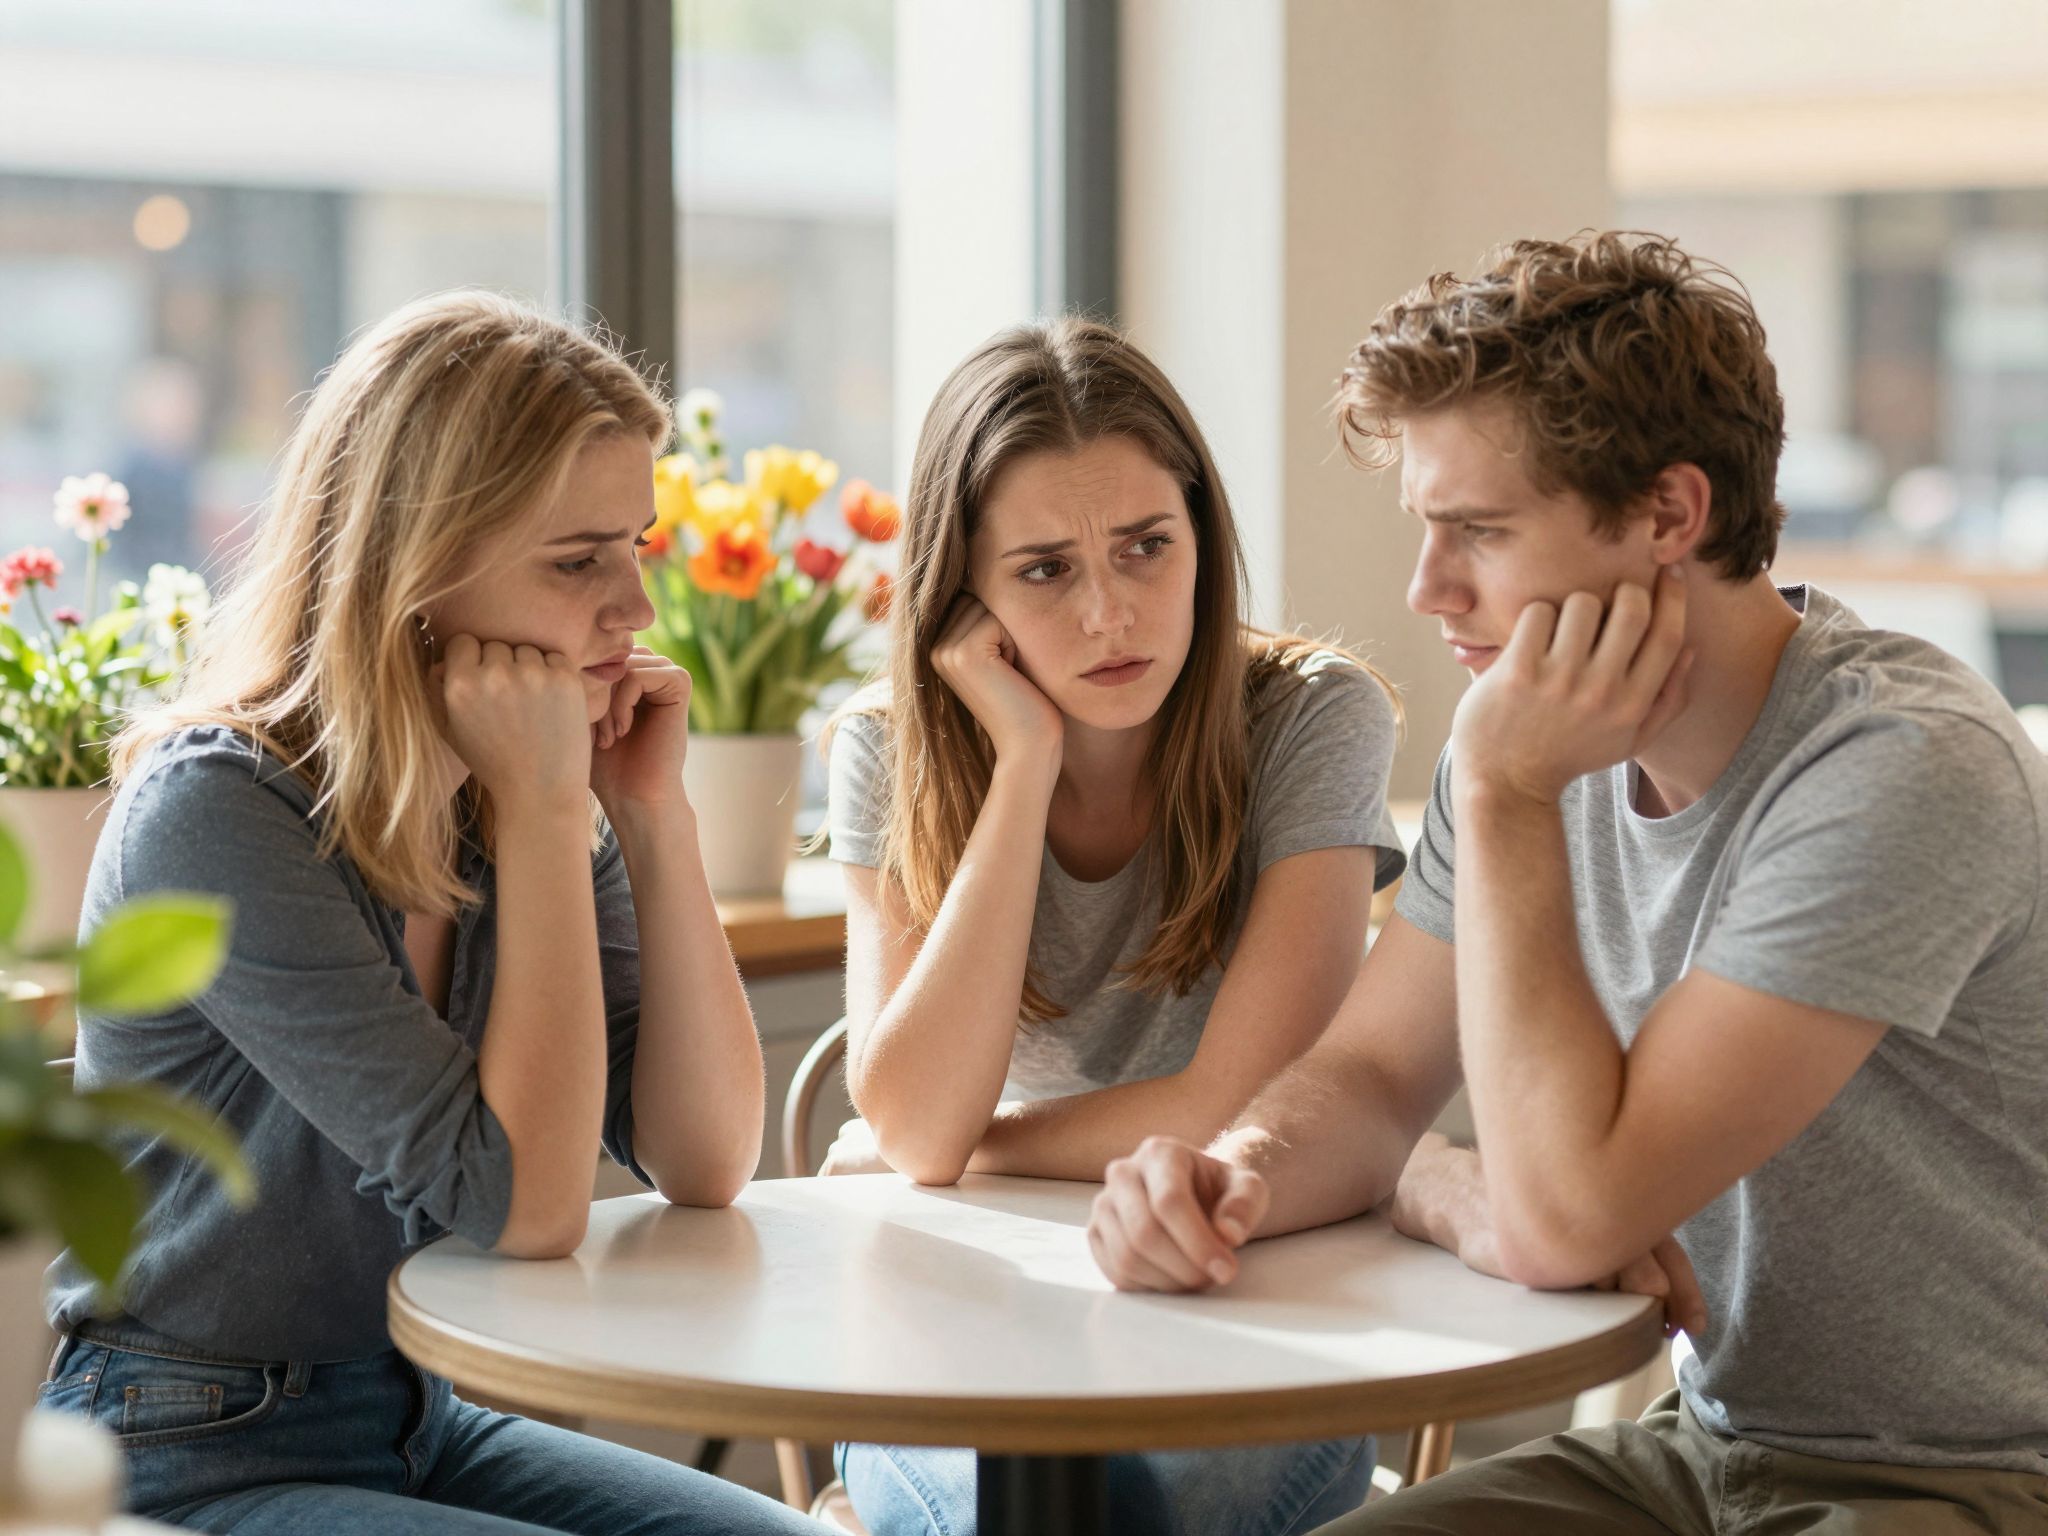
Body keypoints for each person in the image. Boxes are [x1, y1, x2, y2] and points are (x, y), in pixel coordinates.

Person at [1087, 232, 2048, 1535]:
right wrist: (1228, 1177)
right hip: (1704, 1456)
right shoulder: (1543, 738)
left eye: (1476, 532)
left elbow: (1560, 1220)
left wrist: (1500, 796)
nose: (1427, 591)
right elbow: (1369, 1080)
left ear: (1670, 514)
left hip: (1972, 1478)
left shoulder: (1898, 767)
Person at [38, 291, 824, 1536]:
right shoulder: (221, 812)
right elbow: (528, 1208)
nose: (634, 609)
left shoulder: (520, 794)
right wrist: (544, 808)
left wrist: (653, 822)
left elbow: (705, 1153)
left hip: (423, 1416)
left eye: (637, 545)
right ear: (414, 563)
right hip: (186, 1446)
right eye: (576, 562)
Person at [824, 317, 1407, 1535]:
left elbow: (1241, 1103)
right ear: (962, 597)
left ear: (1201, 537)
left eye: (1146, 548)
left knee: (1137, 1506)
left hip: (1249, 1296)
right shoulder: (890, 744)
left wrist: (971, 1142)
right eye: (1043, 571)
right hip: (968, 1310)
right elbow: (917, 1126)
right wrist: (1022, 759)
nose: (1111, 614)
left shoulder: (1312, 719)